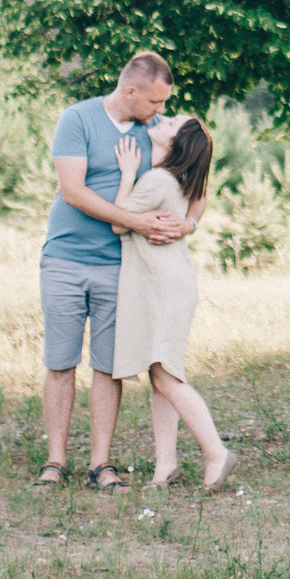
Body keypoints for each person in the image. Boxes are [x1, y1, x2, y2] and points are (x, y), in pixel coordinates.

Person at [36, 51, 191, 491]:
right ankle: (55, 461)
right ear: (130, 91)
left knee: (108, 366)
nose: (161, 111)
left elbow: (198, 177)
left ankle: (100, 464)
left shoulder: (157, 136)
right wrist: (139, 221)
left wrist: (191, 222)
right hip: (65, 259)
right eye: (155, 102)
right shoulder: (78, 119)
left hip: (121, 267)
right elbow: (73, 191)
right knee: (61, 362)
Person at [114, 117, 233, 489]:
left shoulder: (156, 181)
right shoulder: (179, 183)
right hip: (170, 285)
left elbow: (119, 222)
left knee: (166, 375)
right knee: (160, 374)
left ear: (176, 142)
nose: (162, 118)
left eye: (171, 121)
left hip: (164, 288)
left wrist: (127, 172)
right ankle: (165, 466)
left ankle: (217, 454)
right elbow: (198, 200)